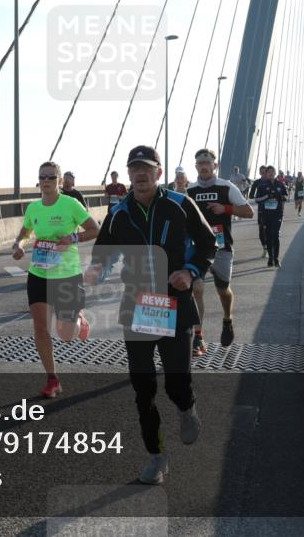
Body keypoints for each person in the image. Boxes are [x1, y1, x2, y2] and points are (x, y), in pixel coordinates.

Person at [85, 145, 217, 485]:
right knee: (143, 388)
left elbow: (208, 243)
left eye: (146, 169)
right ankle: (157, 457)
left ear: (159, 173)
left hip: (175, 302)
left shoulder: (180, 204)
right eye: (134, 169)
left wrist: (189, 272)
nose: (140, 175)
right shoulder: (119, 213)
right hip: (137, 305)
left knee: (176, 382)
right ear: (128, 174)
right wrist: (95, 271)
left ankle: (186, 407)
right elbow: (104, 252)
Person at [12, 161, 100, 398]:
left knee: (66, 335)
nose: (47, 181)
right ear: (39, 180)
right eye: (43, 177)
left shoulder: (70, 204)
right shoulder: (33, 208)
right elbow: (25, 232)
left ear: (60, 181)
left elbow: (95, 229)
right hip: (39, 273)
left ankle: (79, 319)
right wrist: (19, 245)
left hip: (67, 275)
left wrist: (73, 237)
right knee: (40, 326)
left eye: (52, 177)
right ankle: (52, 379)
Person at [186, 149, 254, 358]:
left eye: (207, 162)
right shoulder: (190, 190)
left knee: (223, 290)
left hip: (222, 248)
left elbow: (248, 212)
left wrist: (225, 209)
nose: (204, 166)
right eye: (200, 163)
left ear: (215, 166)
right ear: (196, 167)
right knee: (196, 288)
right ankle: (199, 337)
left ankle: (227, 320)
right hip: (198, 249)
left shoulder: (227, 187)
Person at [250, 165, 288, 267]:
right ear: (266, 174)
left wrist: (280, 197)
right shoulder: (262, 186)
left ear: (275, 173)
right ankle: (270, 258)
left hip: (277, 214)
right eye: (269, 172)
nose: (271, 173)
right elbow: (256, 199)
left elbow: (286, 197)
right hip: (266, 215)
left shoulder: (280, 184)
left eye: (273, 171)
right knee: (268, 236)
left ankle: (276, 259)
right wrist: (267, 196)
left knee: (275, 235)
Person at [101, 171, 128, 279]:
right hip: (111, 209)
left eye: (115, 176)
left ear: (117, 176)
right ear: (111, 177)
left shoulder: (121, 186)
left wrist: (118, 197)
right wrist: (111, 195)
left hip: (120, 209)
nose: (113, 178)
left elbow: (125, 197)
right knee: (110, 227)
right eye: (112, 176)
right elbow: (105, 195)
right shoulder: (108, 186)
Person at [248, 165, 269, 258]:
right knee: (261, 232)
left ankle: (270, 248)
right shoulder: (257, 182)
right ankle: (265, 249)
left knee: (271, 231)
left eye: (266, 172)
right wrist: (260, 197)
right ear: (260, 173)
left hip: (273, 211)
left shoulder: (272, 181)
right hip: (261, 210)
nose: (264, 174)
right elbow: (251, 196)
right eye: (262, 172)